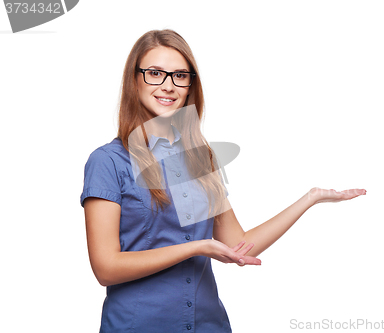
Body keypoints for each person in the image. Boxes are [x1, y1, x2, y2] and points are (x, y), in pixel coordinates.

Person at [81, 29, 366, 333]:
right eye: (154, 73)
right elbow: (106, 268)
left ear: (191, 85)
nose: (168, 85)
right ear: (134, 79)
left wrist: (310, 198)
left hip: (208, 325)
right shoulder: (108, 162)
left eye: (180, 75)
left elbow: (238, 245)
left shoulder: (199, 160)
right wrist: (194, 247)